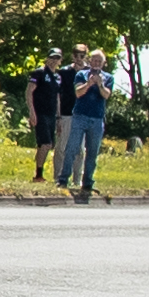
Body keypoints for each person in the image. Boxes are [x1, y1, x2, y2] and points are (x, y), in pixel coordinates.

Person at [60, 50, 112, 203]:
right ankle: (63, 179)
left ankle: (87, 182)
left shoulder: (108, 78)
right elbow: (78, 93)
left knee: (92, 152)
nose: (96, 64)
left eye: (99, 61)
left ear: (103, 63)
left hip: (96, 119)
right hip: (80, 116)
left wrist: (100, 84)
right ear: (90, 61)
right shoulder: (81, 75)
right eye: (94, 60)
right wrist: (89, 84)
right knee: (72, 148)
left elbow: (106, 95)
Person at [29, 48, 67, 182]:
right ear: (47, 58)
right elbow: (29, 92)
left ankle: (39, 171)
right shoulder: (39, 73)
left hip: (51, 114)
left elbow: (57, 97)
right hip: (40, 113)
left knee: (48, 145)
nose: (54, 61)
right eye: (52, 58)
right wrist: (31, 111)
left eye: (57, 58)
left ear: (60, 61)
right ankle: (38, 174)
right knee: (45, 143)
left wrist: (58, 118)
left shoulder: (57, 77)